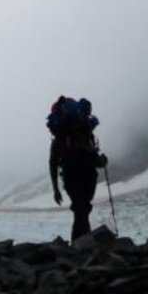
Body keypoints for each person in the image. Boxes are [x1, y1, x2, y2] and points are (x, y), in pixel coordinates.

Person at [47, 97, 108, 242]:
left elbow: (53, 163)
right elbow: (95, 160)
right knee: (83, 209)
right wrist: (103, 161)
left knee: (81, 209)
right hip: (88, 176)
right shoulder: (86, 135)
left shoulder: (60, 140)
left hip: (70, 176)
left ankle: (79, 246)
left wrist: (56, 189)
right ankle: (83, 245)